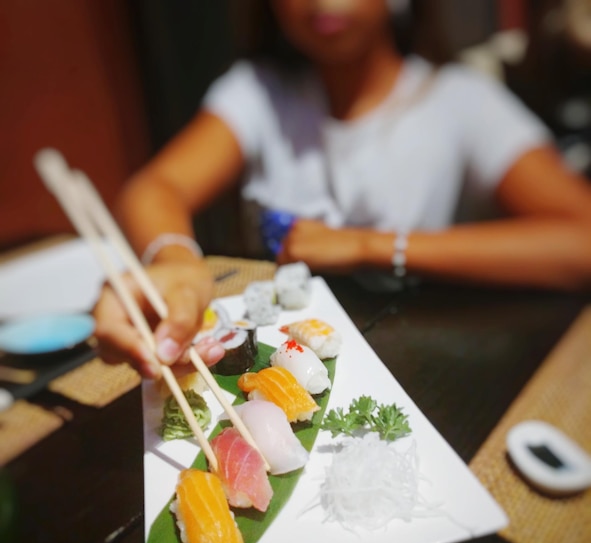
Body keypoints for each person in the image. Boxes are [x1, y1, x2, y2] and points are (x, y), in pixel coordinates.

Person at [94, 0, 591, 378]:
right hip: (279, 359)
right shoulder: (259, 92)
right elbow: (155, 187)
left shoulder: (460, 100)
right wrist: (176, 259)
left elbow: (581, 239)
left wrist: (367, 245)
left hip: (427, 367)